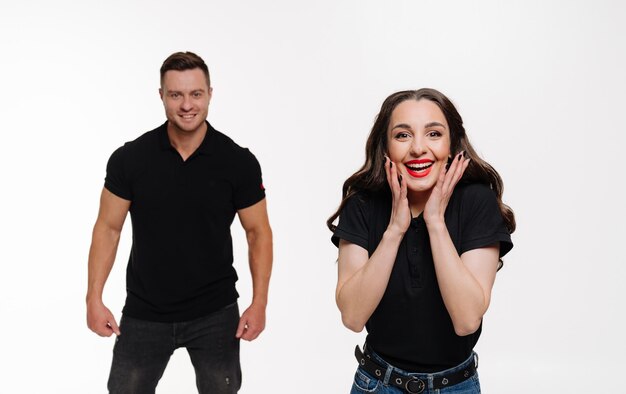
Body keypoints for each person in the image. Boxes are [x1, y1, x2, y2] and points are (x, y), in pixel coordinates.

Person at [86, 51, 273, 394]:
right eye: (176, 95)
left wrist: (259, 302)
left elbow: (258, 232)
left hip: (215, 312)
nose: (187, 105)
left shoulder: (238, 162)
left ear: (210, 95)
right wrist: (93, 298)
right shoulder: (130, 159)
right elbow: (108, 228)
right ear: (161, 96)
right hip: (145, 310)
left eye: (195, 94)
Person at [328, 88, 515, 393]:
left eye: (433, 134)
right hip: (378, 383)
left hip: (456, 385)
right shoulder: (363, 203)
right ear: (386, 148)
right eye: (402, 135)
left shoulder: (477, 201)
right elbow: (352, 316)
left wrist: (435, 223)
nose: (418, 148)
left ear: (452, 145)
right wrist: (395, 230)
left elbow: (467, 320)